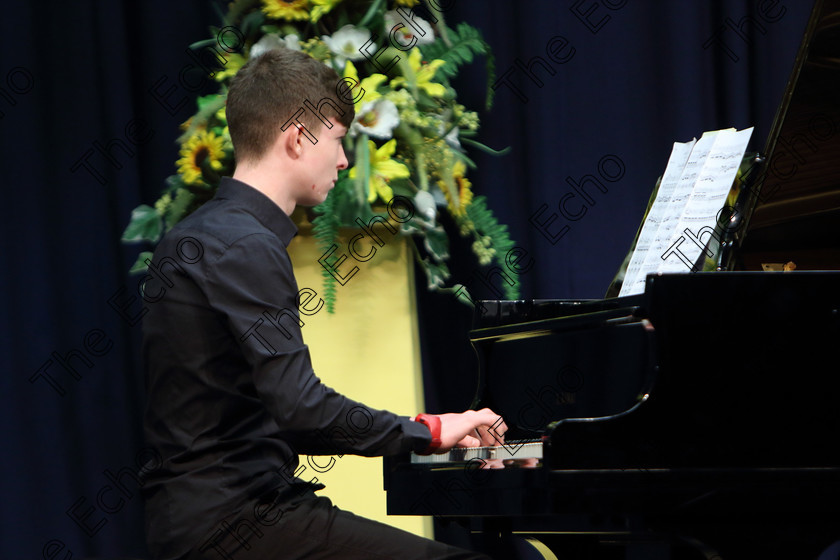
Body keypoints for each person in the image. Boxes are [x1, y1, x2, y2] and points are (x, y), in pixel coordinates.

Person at [141, 47, 506, 560]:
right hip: (233, 521)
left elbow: (278, 412)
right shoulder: (245, 245)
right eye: (336, 140)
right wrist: (430, 430)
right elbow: (302, 410)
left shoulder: (195, 235)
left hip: (204, 516)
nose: (341, 159)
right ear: (296, 138)